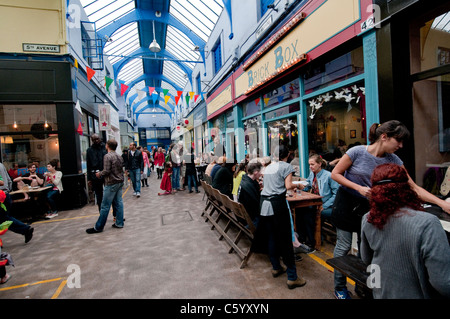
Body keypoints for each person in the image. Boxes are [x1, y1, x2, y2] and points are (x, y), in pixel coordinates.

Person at [330, 120, 450, 299]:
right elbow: (335, 174)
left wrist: (442, 204)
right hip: (347, 204)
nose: (401, 146)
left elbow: (413, 188)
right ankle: (339, 287)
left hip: (371, 207)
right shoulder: (357, 152)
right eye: (398, 141)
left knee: (366, 251)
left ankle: (366, 287)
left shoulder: (394, 160)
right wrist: (358, 188)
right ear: (384, 137)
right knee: (344, 246)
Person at [361, 163, 450, 298]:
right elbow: (444, 283)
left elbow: (366, 259)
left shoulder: (368, 219)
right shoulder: (428, 223)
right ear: (407, 189)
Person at [255, 144, 306, 289]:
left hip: (264, 203)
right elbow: (289, 185)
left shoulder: (269, 167)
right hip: (277, 204)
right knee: (285, 239)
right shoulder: (286, 166)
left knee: (271, 237)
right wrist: (298, 186)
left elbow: (267, 185)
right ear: (288, 155)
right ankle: (292, 277)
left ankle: (276, 267)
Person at [296, 154, 339, 251]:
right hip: (315, 203)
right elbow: (308, 184)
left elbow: (336, 193)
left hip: (328, 205)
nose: (310, 167)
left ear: (319, 164)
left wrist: (325, 205)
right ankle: (302, 239)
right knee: (300, 211)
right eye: (309, 165)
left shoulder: (328, 176)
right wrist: (301, 186)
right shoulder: (313, 174)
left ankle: (313, 242)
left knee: (309, 214)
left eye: (312, 164)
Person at [86, 139, 124, 234]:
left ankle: (99, 227)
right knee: (119, 203)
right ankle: (119, 223)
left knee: (105, 206)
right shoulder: (119, 156)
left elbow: (106, 170)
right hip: (119, 181)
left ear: (107, 146)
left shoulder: (107, 156)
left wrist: (99, 174)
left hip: (111, 182)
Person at [0, 162, 33, 243]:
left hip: (1, 196)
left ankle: (25, 229)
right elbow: (9, 179)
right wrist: (8, 191)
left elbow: (4, 181)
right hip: (5, 194)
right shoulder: (1, 165)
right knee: (4, 218)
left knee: (4, 219)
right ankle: (25, 229)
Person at [237, 161, 262, 227]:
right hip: (250, 220)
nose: (261, 174)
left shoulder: (245, 179)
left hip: (242, 216)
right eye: (260, 171)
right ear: (255, 172)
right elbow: (258, 205)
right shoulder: (249, 186)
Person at [86, 134, 107, 211]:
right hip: (95, 175)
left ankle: (115, 214)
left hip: (105, 173)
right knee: (99, 195)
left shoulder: (105, 148)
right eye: (94, 140)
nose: (96, 141)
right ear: (92, 140)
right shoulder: (89, 150)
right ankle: (101, 213)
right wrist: (89, 178)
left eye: (97, 139)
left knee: (110, 194)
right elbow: (88, 165)